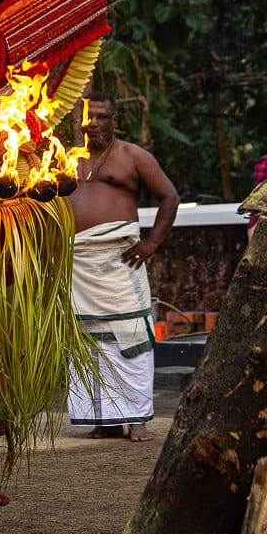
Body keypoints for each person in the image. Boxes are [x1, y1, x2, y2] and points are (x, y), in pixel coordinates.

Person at [66, 92, 180, 442]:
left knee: (131, 337)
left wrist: (153, 243)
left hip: (119, 261)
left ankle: (137, 419)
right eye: (89, 117)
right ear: (78, 121)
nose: (94, 123)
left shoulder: (133, 156)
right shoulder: (64, 160)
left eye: (102, 116)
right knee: (88, 342)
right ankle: (104, 417)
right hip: (77, 262)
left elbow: (169, 197)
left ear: (114, 120)